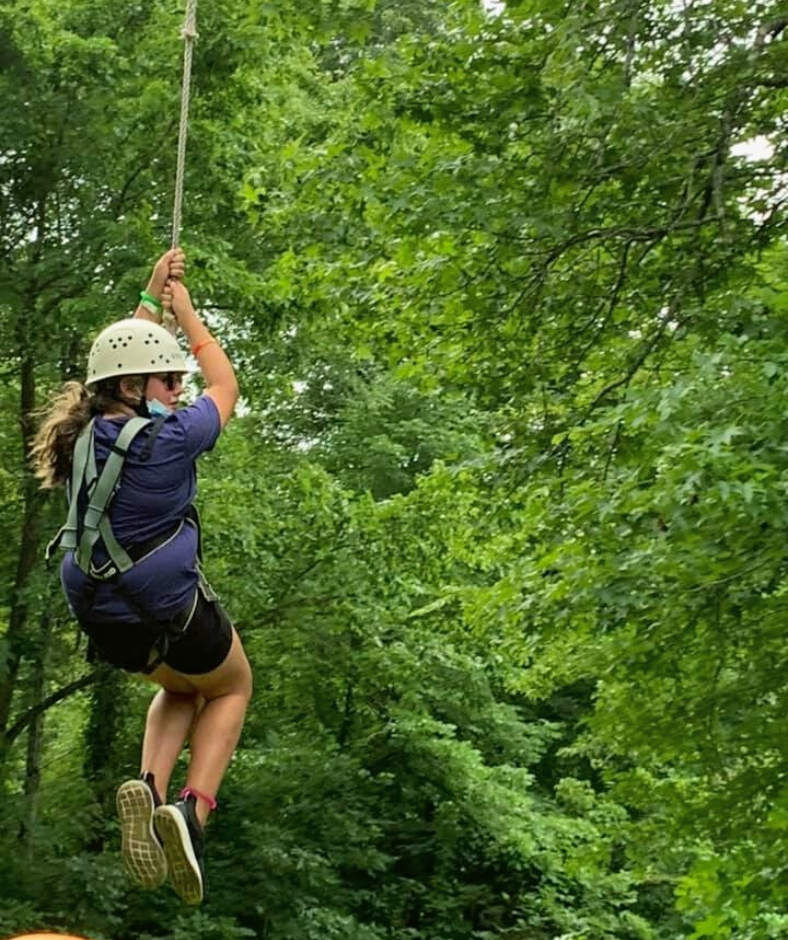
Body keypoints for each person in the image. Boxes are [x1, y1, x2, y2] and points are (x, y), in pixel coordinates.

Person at [31, 249, 253, 906]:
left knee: (182, 689)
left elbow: (120, 357)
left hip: (102, 614)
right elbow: (227, 388)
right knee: (233, 686)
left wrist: (152, 297)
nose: (180, 392)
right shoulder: (173, 438)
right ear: (135, 389)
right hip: (168, 606)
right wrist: (188, 316)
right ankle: (191, 812)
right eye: (169, 381)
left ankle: (149, 789)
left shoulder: (76, 436)